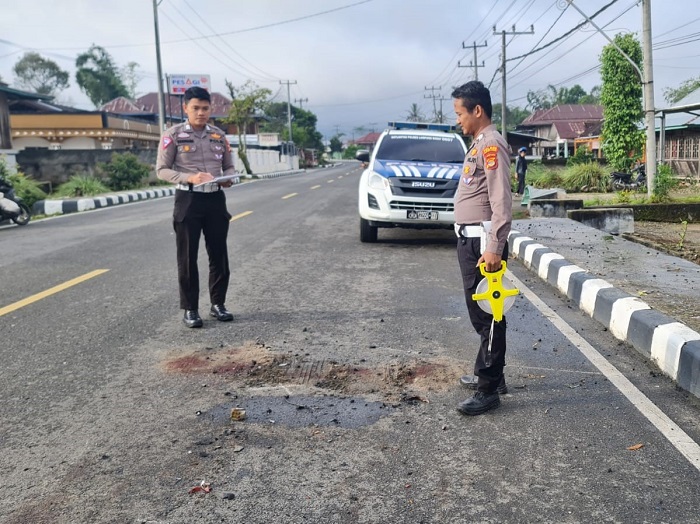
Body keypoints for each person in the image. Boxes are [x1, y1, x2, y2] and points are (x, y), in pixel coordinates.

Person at [451, 81, 513, 416]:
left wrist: (493, 246)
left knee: (488, 314)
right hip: (472, 239)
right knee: (483, 313)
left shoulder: (491, 145)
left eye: (460, 113)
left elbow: (501, 200)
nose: (458, 120)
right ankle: (492, 373)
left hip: (482, 242)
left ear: (477, 110)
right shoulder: (479, 143)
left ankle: (488, 388)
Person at [156, 86, 236, 328]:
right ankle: (190, 309)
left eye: (205, 108)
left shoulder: (219, 136)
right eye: (196, 108)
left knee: (219, 255)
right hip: (188, 201)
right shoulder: (173, 135)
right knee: (188, 257)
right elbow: (161, 170)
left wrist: (229, 177)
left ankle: (218, 304)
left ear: (211, 108)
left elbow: (228, 166)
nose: (201, 113)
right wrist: (188, 178)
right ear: (185, 108)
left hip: (215, 199)